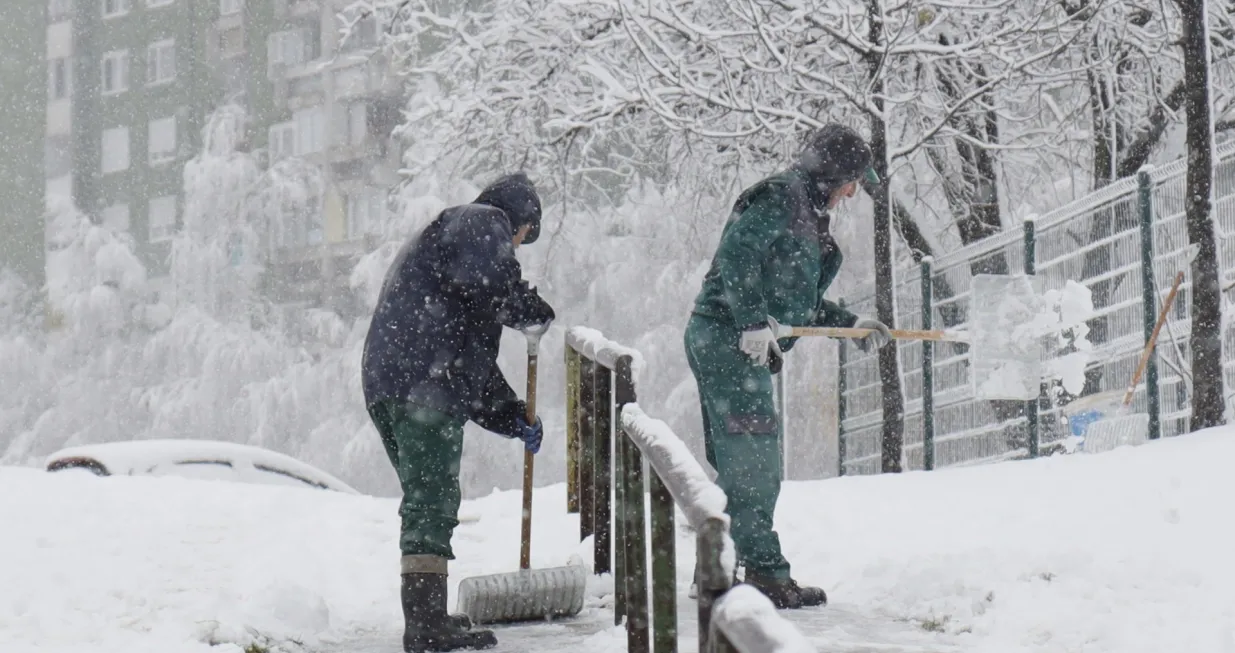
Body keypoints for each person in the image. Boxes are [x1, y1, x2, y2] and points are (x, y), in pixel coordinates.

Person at [684, 124, 893, 609]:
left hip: (731, 339)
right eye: (852, 181)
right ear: (835, 174)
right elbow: (737, 257)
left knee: (742, 463)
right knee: (755, 464)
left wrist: (851, 323)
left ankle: (717, 568)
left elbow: (794, 301)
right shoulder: (782, 197)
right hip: (727, 339)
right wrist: (752, 322)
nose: (851, 193)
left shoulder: (807, 212)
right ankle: (763, 573)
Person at [361, 172, 555, 652]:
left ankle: (429, 617)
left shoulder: (453, 253)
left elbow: (472, 366)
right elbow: (491, 283)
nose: (518, 246)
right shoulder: (481, 220)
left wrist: (513, 416)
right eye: (525, 235)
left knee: (431, 495)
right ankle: (425, 626)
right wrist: (527, 306)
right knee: (432, 500)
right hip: (421, 383)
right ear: (519, 217)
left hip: (401, 380)